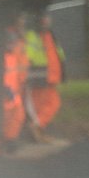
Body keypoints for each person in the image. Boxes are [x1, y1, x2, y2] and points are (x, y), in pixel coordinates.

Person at [24, 13, 65, 142]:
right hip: (38, 79)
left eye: (47, 17)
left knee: (47, 105)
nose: (46, 20)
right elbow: (26, 58)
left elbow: (57, 56)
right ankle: (36, 129)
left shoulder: (49, 35)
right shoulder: (34, 36)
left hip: (49, 78)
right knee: (46, 106)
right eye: (43, 18)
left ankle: (38, 131)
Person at [1, 13, 29, 152]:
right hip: (6, 93)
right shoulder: (3, 57)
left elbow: (17, 72)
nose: (12, 45)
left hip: (14, 92)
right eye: (10, 43)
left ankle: (10, 139)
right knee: (7, 117)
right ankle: (7, 140)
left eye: (13, 43)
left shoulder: (12, 56)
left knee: (18, 115)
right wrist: (6, 89)